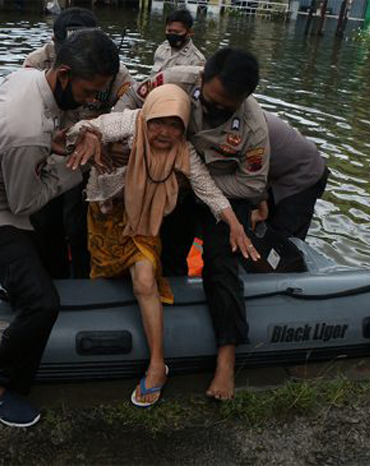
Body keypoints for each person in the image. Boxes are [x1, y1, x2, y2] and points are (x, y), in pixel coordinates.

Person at [0, 29, 120, 427]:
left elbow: (47, 132)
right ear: (63, 73)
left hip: (5, 183)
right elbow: (24, 204)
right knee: (43, 302)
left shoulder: (29, 77)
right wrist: (76, 169)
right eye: (86, 92)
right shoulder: (24, 132)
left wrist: (65, 141)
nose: (89, 102)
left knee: (43, 269)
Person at [67, 84, 257, 407]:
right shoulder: (130, 124)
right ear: (148, 115)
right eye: (159, 122)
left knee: (143, 280)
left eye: (175, 125)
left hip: (144, 221)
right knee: (103, 275)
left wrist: (235, 224)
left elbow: (209, 191)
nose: (165, 132)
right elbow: (88, 127)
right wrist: (87, 135)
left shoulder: (184, 152)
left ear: (184, 127)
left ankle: (158, 365)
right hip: (106, 216)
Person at [114, 48, 270, 400]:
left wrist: (197, 185)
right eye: (212, 101)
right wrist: (129, 147)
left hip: (221, 189)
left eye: (226, 107)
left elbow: (253, 184)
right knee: (166, 252)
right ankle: (170, 327)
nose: (216, 110)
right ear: (201, 79)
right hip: (171, 184)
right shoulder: (170, 81)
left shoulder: (252, 126)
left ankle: (226, 361)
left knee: (221, 262)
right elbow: (125, 108)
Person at [23, 7, 134, 278]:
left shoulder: (115, 72)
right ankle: (55, 279)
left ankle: (86, 281)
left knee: (80, 227)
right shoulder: (35, 65)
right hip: (50, 154)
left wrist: (100, 132)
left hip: (88, 161)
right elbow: (26, 116)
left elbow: (130, 112)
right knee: (45, 225)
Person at [251, 112, 328, 240]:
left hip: (304, 174)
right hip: (276, 170)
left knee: (284, 239)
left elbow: (253, 176)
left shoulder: (247, 128)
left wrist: (262, 212)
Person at [150, 8, 206, 75]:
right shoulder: (161, 49)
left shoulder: (196, 60)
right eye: (169, 31)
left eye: (177, 32)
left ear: (189, 32)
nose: (172, 35)